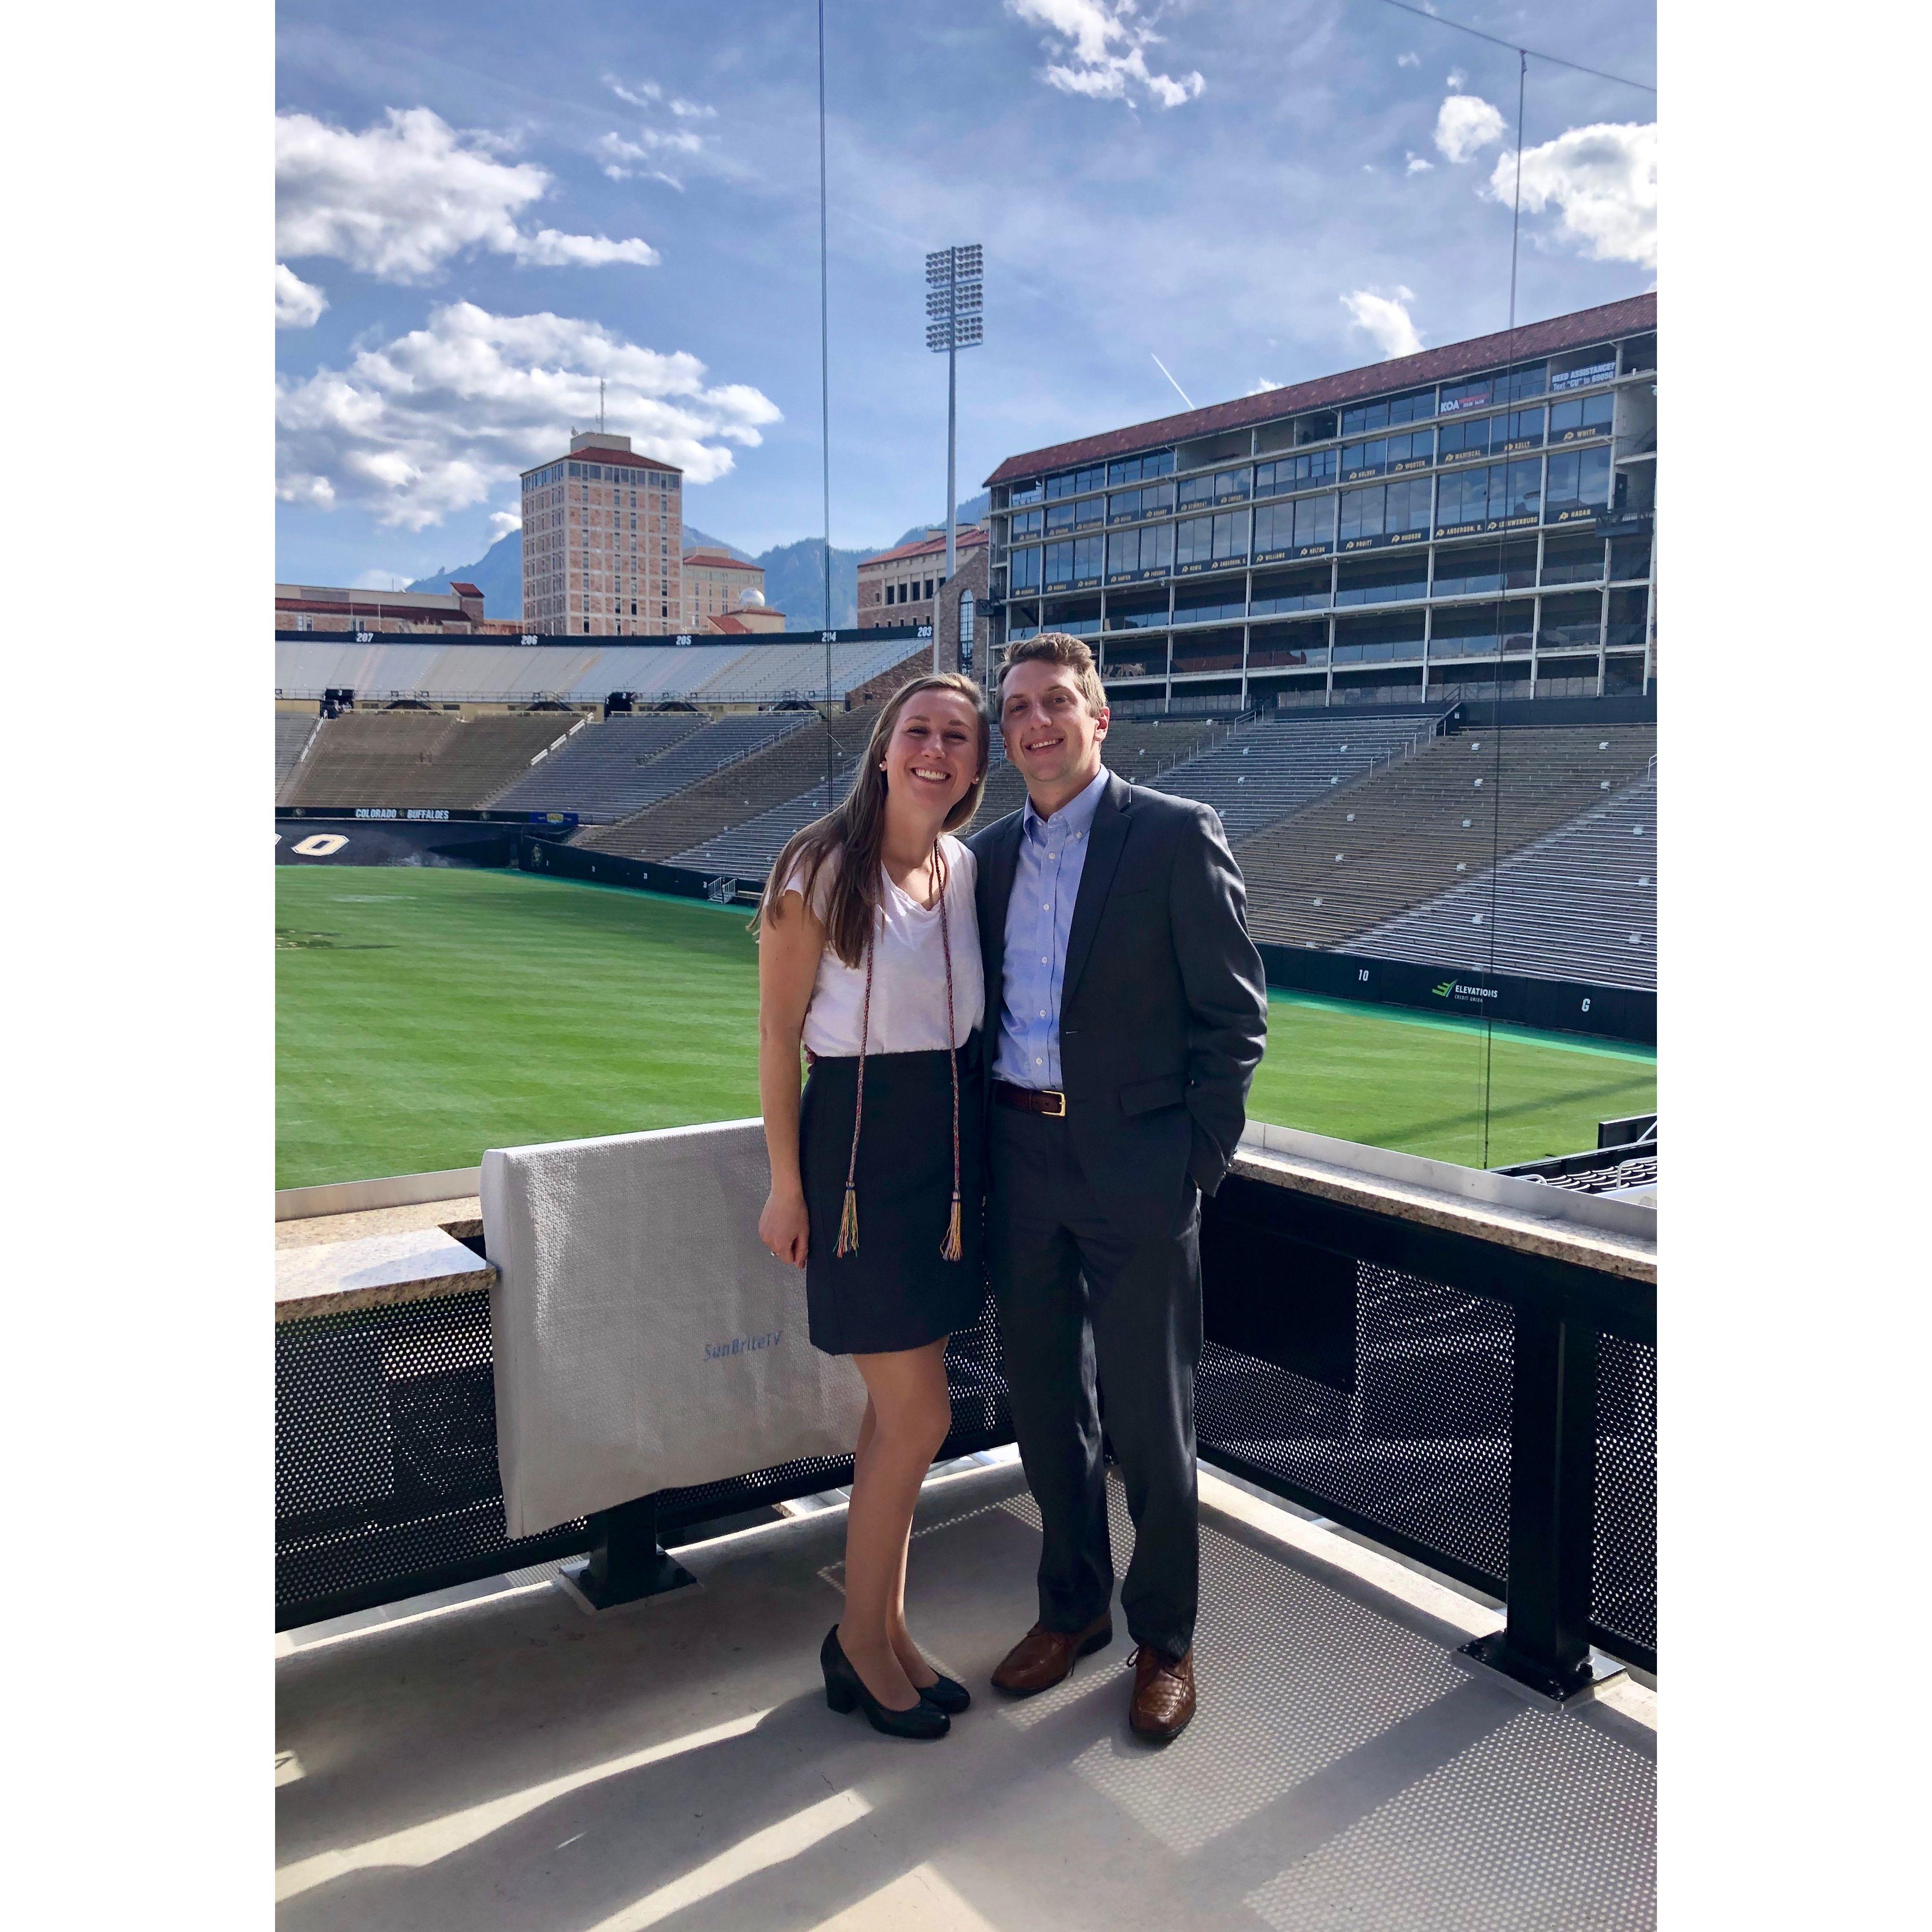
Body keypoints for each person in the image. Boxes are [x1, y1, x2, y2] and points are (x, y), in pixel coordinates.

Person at [969, 633, 1268, 1744]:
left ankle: (1167, 1639)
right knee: (1048, 1411)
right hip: (1020, 1160)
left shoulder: (1174, 834)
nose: (1036, 723)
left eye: (1056, 703)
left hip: (1138, 1173)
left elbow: (1234, 1018)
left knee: (1151, 1421)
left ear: (1100, 719)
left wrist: (1192, 1164)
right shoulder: (988, 854)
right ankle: (1072, 1609)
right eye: (1017, 710)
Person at [756, 672, 991, 1742]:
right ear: (885, 750)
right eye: (917, 731)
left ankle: (881, 1629)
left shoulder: (963, 865)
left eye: (955, 736)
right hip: (854, 1157)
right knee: (922, 1415)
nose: (934, 749)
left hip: (942, 1157)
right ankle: (859, 1639)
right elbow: (775, 1036)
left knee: (891, 1420)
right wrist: (785, 1180)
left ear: (975, 767)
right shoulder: (818, 867)